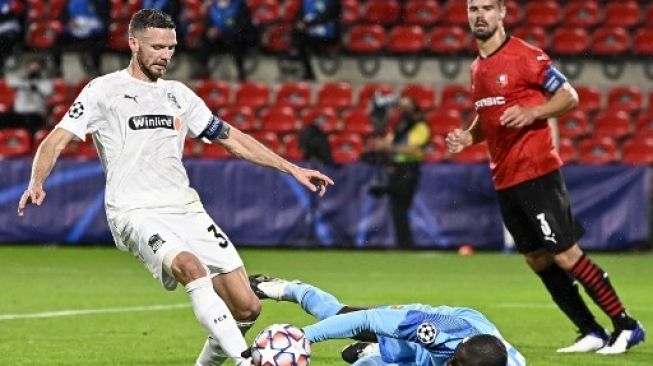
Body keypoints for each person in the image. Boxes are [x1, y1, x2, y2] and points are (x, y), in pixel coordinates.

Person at [17, 9, 333, 366]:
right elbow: (56, 139)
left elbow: (232, 139)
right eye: (157, 47)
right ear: (133, 44)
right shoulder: (102, 91)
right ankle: (248, 362)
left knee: (247, 307)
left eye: (171, 47)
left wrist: (291, 168)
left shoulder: (179, 95)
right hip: (134, 211)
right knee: (191, 267)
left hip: (185, 208)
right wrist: (36, 180)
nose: (166, 55)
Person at [445, 0, 645, 355]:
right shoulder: (478, 68)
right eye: (473, 8)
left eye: (487, 8)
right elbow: (487, 118)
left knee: (567, 255)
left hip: (537, 172)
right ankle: (591, 331)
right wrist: (467, 136)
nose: (479, 14)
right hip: (505, 178)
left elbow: (569, 96)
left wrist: (534, 110)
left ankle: (627, 326)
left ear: (502, 13)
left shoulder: (526, 56)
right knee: (537, 259)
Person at [247, 274, 526, 366]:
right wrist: (303, 336)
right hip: (420, 330)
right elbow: (366, 319)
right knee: (339, 315)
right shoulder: (435, 331)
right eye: (453, 363)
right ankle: (287, 288)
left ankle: (375, 353)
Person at [367, 96, 431, 248]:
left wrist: (390, 147)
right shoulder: (399, 127)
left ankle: (405, 243)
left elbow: (413, 149)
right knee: (397, 207)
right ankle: (403, 242)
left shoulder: (420, 127)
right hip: (397, 168)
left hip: (409, 168)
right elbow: (387, 142)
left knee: (401, 206)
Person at [195, 0, 258, 81]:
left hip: (235, 38)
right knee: (205, 38)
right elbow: (208, 22)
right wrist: (211, 30)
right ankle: (203, 69)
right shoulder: (213, 7)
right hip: (218, 40)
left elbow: (242, 25)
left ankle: (241, 72)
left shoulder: (240, 5)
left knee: (236, 39)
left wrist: (222, 32)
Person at [53, 0, 109, 76]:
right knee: (58, 39)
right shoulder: (71, 2)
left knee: (96, 43)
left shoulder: (99, 2)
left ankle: (96, 69)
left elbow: (102, 20)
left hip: (93, 33)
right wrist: (69, 22)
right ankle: (57, 68)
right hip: (74, 32)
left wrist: (88, 25)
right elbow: (64, 17)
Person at [290, 0, 341, 80]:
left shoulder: (332, 2)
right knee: (297, 34)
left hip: (326, 32)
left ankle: (309, 72)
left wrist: (307, 24)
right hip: (310, 30)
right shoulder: (306, 1)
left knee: (302, 42)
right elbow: (299, 14)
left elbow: (326, 17)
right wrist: (299, 22)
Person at [5, 58, 53, 134]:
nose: (33, 70)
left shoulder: (45, 82)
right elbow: (10, 82)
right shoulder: (21, 80)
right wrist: (26, 80)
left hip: (35, 115)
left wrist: (35, 85)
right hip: (19, 114)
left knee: (30, 122)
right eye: (31, 68)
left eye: (36, 69)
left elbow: (47, 91)